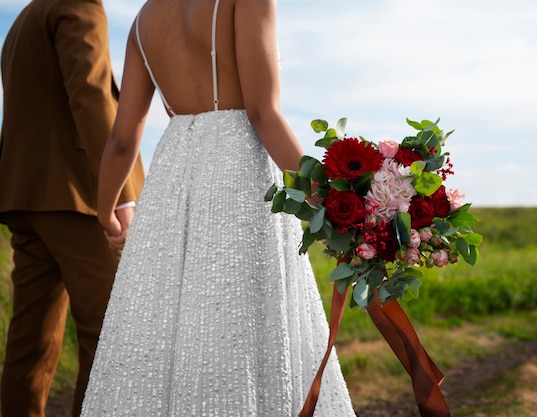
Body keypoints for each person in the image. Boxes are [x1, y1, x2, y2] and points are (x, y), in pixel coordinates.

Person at [80, 0, 355, 415]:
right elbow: (264, 114)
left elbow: (122, 139)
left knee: (166, 324)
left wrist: (106, 213)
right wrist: (331, 201)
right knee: (242, 324)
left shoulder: (143, 20)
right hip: (239, 175)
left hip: (172, 179)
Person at [0, 0, 145, 416]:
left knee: (32, 337)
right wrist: (118, 194)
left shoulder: (24, 20)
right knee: (109, 331)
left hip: (27, 195)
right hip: (77, 196)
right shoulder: (77, 4)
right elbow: (91, 92)